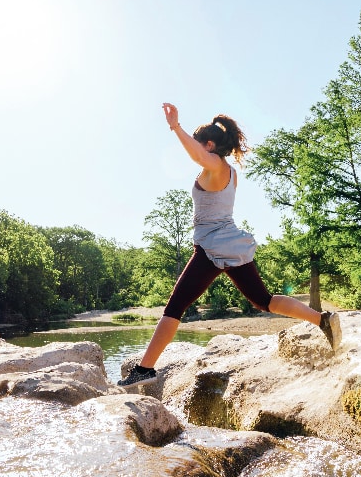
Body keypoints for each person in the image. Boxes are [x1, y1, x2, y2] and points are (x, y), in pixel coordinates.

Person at [118, 103, 341, 387]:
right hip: (229, 244)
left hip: (211, 248)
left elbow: (198, 155)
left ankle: (145, 369)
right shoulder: (228, 171)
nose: (196, 152)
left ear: (209, 145)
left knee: (175, 306)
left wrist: (175, 126)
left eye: (201, 146)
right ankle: (322, 320)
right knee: (263, 300)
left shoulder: (215, 166)